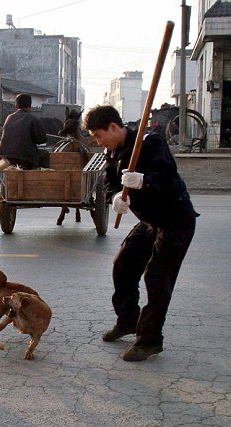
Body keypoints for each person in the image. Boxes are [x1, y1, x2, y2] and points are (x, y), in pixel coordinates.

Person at [84, 105, 199, 362]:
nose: (97, 140)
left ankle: (149, 340)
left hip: (175, 220)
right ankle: (127, 321)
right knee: (122, 265)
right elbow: (112, 184)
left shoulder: (149, 142)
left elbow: (168, 180)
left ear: (114, 127)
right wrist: (115, 198)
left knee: (157, 278)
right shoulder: (112, 152)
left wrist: (144, 181)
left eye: (99, 134)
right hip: (149, 222)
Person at [0, 93, 48, 169]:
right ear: (30, 106)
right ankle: (40, 177)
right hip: (25, 158)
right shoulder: (33, 119)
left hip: (5, 157)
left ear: (16, 106)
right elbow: (41, 140)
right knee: (45, 154)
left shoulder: (9, 117)